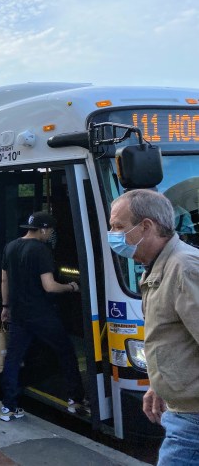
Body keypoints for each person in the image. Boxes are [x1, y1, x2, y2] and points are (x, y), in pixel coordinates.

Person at [108, 190, 199, 464]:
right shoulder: (156, 267)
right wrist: (158, 385)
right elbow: (173, 341)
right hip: (182, 412)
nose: (111, 233)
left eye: (118, 226)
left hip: (192, 420)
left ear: (146, 226)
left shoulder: (183, 268)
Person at [0, 211, 84, 422]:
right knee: (65, 352)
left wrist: (5, 306)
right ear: (44, 229)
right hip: (42, 314)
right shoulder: (41, 249)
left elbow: (4, 281)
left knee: (13, 359)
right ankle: (76, 399)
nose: (51, 234)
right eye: (51, 231)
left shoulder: (10, 247)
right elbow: (49, 286)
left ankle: (8, 407)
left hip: (19, 314)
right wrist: (71, 287)